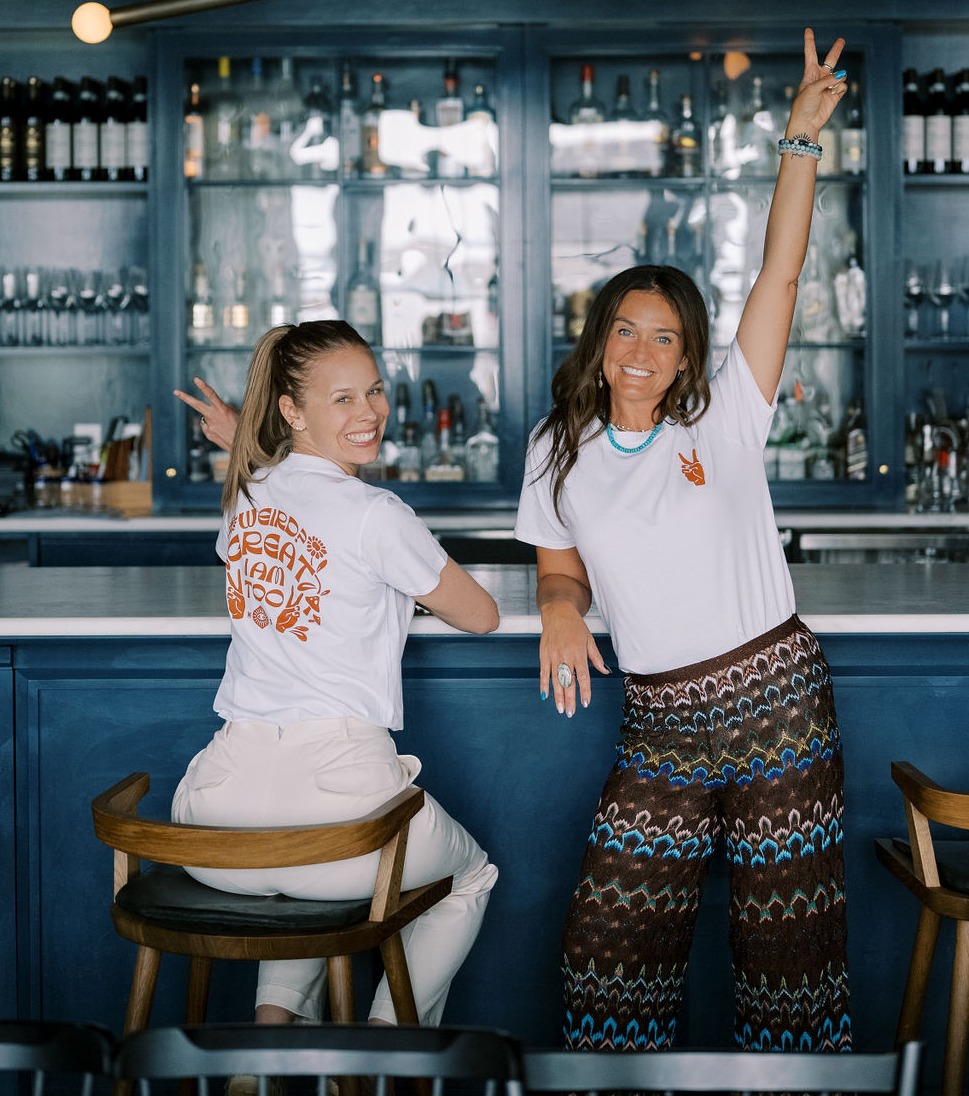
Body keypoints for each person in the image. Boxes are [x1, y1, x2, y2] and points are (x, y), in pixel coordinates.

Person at [515, 29, 851, 1054]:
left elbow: (780, 278)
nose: (643, 351)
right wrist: (560, 610)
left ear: (690, 352)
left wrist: (798, 143)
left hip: (776, 702)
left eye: (666, 335)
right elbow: (558, 558)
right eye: (627, 328)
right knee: (610, 942)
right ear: (600, 335)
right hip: (657, 722)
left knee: (788, 952)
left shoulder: (728, 415)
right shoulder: (555, 445)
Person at [171, 320, 499, 1042]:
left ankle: (270, 1036)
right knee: (471, 877)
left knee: (300, 877)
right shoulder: (377, 514)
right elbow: (479, 614)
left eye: (375, 391)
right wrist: (395, 583)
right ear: (291, 411)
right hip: (341, 821)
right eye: (343, 398)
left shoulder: (246, 497)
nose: (371, 412)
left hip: (216, 823)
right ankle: (382, 1050)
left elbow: (273, 486)